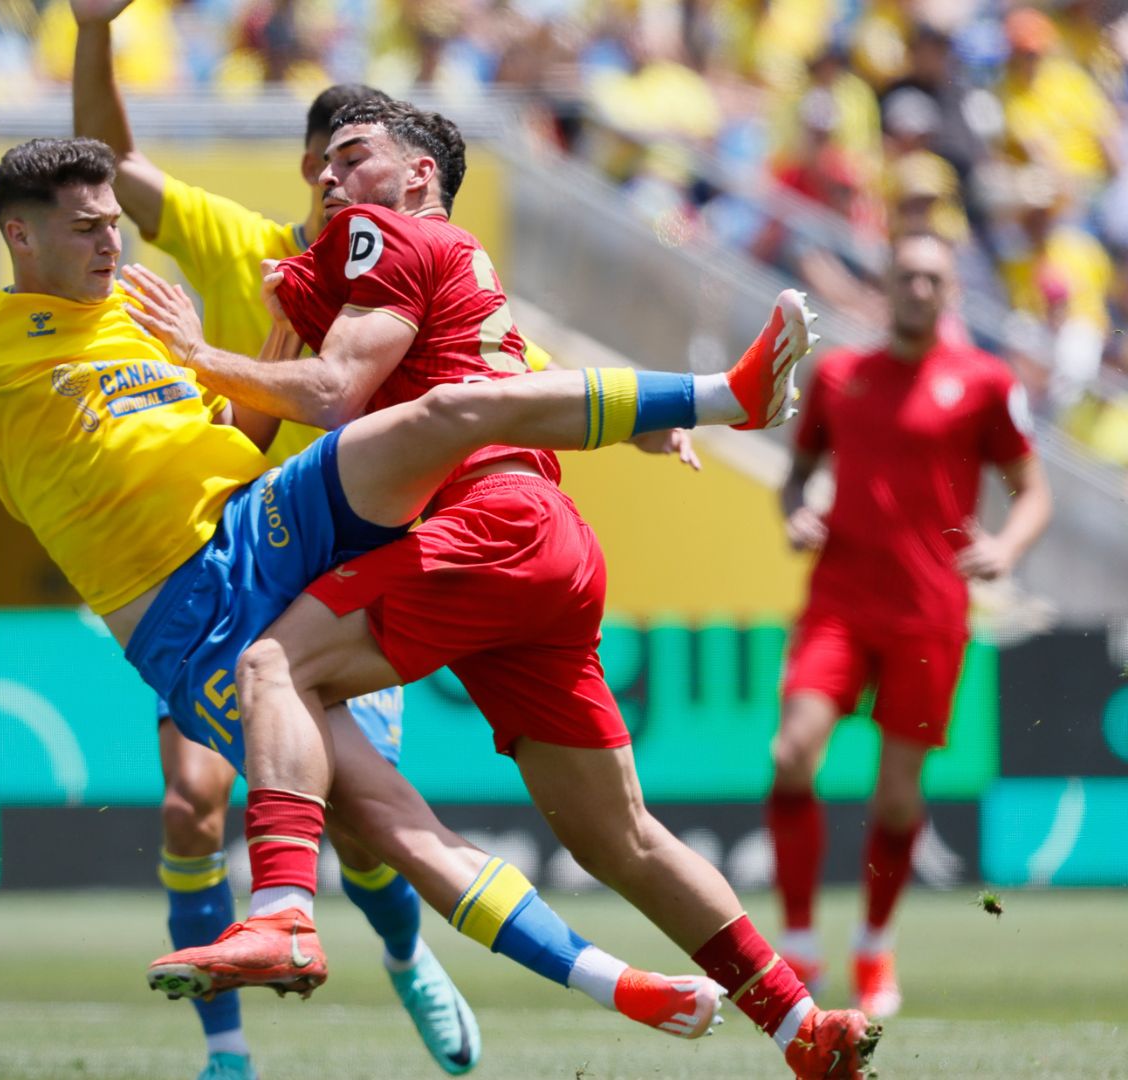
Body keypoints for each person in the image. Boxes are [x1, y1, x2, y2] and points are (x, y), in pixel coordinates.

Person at [0, 133, 801, 1058]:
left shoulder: (154, 310)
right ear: (21, 236)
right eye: (84, 221)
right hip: (184, 613)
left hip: (265, 532)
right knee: (386, 827)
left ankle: (711, 398)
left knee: (443, 410)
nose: (112, 233)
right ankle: (603, 983)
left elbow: (379, 368)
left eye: (114, 217)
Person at [129, 99, 874, 1079]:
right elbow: (370, 399)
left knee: (275, 663)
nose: (327, 178)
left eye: (353, 158)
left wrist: (196, 354)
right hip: (544, 546)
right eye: (319, 164)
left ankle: (282, 914)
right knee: (621, 837)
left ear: (419, 178)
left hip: (485, 531)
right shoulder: (419, 269)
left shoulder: (384, 238)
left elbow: (333, 394)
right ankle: (796, 1024)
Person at [768, 231, 1051, 1021]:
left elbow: (1032, 490)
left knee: (896, 799)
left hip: (930, 614)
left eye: (934, 277)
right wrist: (796, 513)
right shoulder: (840, 376)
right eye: (908, 276)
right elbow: (797, 473)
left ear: (951, 290)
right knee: (792, 753)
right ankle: (797, 943)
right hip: (838, 602)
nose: (920, 289)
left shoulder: (985, 382)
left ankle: (872, 947)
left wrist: (1007, 545)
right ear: (886, 287)